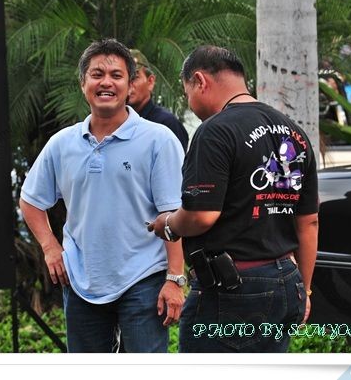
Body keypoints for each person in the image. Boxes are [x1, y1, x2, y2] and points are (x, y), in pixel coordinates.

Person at [147, 45, 319, 353]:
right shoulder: (294, 132)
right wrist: (304, 290)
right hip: (286, 282)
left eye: (187, 93)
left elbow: (201, 216)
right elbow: (309, 222)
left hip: (234, 289)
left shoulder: (215, 131)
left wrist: (169, 224)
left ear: (200, 81)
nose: (190, 103)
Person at [20, 38, 186, 353]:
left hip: (143, 278)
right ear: (83, 84)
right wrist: (50, 247)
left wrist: (175, 278)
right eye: (97, 74)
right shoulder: (62, 143)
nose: (106, 82)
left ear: (130, 85)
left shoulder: (158, 140)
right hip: (81, 281)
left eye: (116, 75)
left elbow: (172, 216)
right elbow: (30, 200)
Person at [128, 49, 189, 151]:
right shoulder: (115, 123)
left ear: (150, 82)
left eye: (134, 78)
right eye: (121, 77)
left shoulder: (166, 124)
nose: (129, 84)